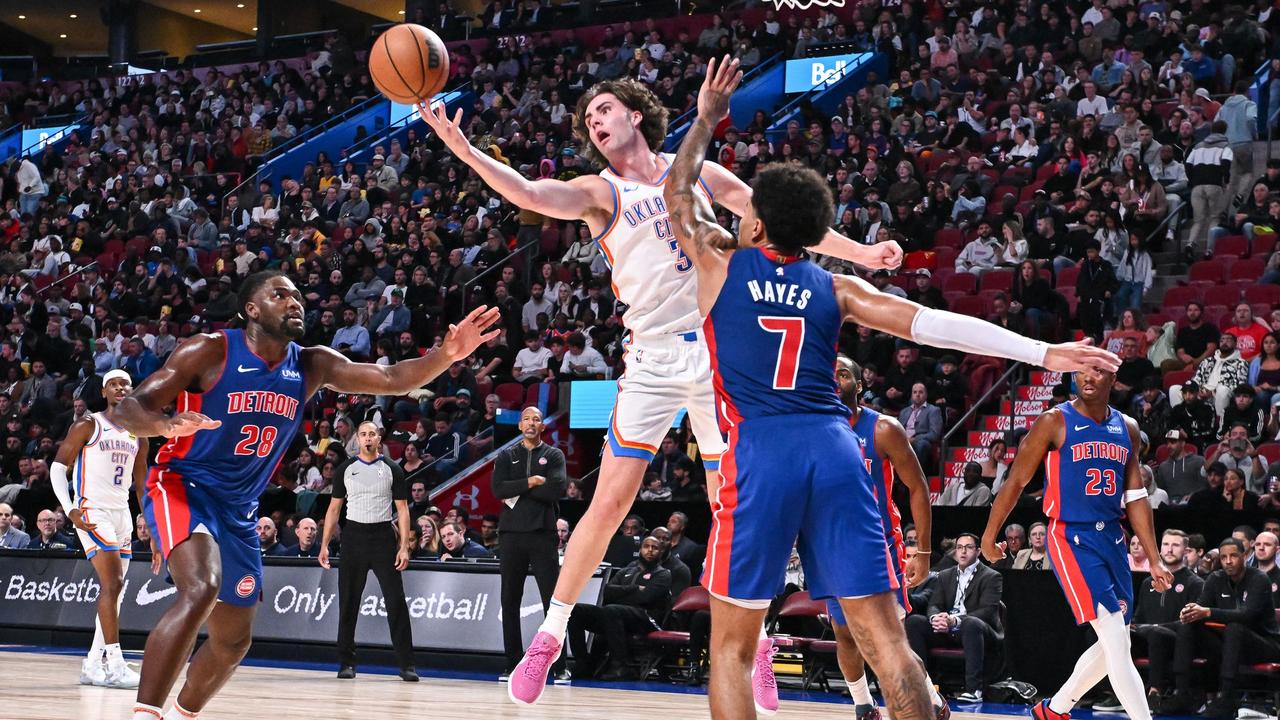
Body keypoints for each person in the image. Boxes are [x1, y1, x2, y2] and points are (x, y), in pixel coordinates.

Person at [418, 60, 906, 708]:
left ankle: (754, 645)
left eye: (604, 109)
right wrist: (463, 148)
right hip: (649, 359)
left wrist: (863, 255)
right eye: (588, 118)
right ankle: (551, 635)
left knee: (736, 504)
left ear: (635, 114)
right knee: (610, 503)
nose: (594, 122)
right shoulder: (599, 190)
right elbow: (530, 195)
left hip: (717, 351)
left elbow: (777, 220)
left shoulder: (694, 171)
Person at [664, 57, 1118, 720]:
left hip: (762, 450)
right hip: (838, 449)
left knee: (732, 647)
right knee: (886, 644)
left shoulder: (717, 261)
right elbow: (933, 325)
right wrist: (1042, 351)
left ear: (758, 226)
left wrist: (706, 119)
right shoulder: (838, 287)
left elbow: (678, 190)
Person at [115, 270, 498, 720]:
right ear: (252, 310)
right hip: (183, 482)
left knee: (235, 639)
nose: (294, 302)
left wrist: (446, 354)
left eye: (297, 296)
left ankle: (183, 713)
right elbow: (128, 409)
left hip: (239, 507)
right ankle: (145, 714)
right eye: (280, 295)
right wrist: (163, 425)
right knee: (202, 587)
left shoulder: (312, 363)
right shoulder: (210, 349)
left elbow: (392, 377)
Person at [981, 364, 1171, 720]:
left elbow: (1136, 496)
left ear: (1113, 380)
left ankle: (1054, 709)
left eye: (1097, 371)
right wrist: (989, 536)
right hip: (1071, 535)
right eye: (1081, 371)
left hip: (1113, 537)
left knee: (1116, 640)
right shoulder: (1054, 421)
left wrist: (1154, 557)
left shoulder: (1127, 427)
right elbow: (1015, 482)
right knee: (1115, 635)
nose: (1086, 377)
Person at [828, 355, 948, 720]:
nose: (835, 379)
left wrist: (923, 550)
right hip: (832, 547)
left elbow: (917, 487)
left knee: (889, 639)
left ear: (859, 385)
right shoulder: (814, 430)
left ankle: (931, 702)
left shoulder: (882, 429)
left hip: (878, 544)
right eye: (828, 373)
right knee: (845, 634)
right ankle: (864, 706)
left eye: (843, 374)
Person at [50, 369, 151, 688]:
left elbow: (141, 484)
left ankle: (93, 664)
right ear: (105, 392)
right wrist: (70, 509)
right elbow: (57, 468)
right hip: (92, 510)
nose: (121, 388)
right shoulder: (88, 424)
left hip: (122, 513)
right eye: (114, 384)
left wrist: (149, 518)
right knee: (114, 582)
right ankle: (116, 664)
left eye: (126, 385)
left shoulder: (139, 433)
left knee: (116, 592)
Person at [318, 421, 417, 682]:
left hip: (383, 537)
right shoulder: (345, 469)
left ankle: (407, 664)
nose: (368, 438)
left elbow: (403, 510)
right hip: (353, 537)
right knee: (348, 602)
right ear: (358, 439)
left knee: (396, 601)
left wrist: (403, 547)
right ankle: (346, 662)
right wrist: (325, 544)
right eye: (363, 434)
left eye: (372, 434)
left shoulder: (392, 469)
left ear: (379, 437)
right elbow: (333, 509)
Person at [1161, 538, 1280, 717]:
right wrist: (1189, 613)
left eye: (1233, 556)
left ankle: (1226, 697)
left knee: (1234, 628)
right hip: (1230, 644)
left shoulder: (1259, 579)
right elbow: (1200, 609)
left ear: (1245, 555)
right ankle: (1183, 693)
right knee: (1189, 628)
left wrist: (1208, 612)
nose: (1228, 561)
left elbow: (1247, 615)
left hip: (1265, 644)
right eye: (1223, 557)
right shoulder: (1215, 579)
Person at [492, 407, 568, 679]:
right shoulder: (506, 455)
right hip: (511, 535)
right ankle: (512, 663)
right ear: (519, 425)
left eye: (536, 419)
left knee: (553, 602)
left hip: (542, 534)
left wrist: (521, 487)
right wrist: (533, 481)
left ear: (542, 427)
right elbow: (498, 489)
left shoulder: (554, 454)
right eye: (526, 418)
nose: (531, 423)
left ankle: (559, 666)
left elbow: (556, 489)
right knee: (510, 600)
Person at [905, 534, 1005, 703]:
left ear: (978, 551)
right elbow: (934, 604)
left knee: (970, 623)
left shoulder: (991, 577)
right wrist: (936, 617)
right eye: (959, 547)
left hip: (978, 631)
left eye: (969, 547)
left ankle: (974, 690)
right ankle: (923, 687)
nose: (963, 551)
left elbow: (987, 611)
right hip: (948, 629)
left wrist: (955, 620)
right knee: (914, 622)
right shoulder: (944, 575)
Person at [565, 535, 671, 680]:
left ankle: (621, 665)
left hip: (645, 618)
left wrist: (621, 593)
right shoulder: (628, 570)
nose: (650, 550)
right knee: (576, 610)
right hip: (615, 616)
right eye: (646, 546)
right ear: (640, 549)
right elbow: (607, 591)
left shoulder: (663, 574)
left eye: (655, 548)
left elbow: (646, 598)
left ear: (661, 552)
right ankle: (582, 663)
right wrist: (634, 588)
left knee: (612, 609)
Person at [1130, 529, 1205, 705]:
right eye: (1165, 544)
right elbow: (1139, 615)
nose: (1169, 550)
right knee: (1115, 635)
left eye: (1175, 545)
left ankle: (1155, 691)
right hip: (1147, 635)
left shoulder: (1195, 583)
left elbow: (1189, 621)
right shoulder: (1148, 582)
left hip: (1176, 641)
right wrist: (1132, 625)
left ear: (1186, 551)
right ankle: (1113, 692)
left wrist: (1155, 627)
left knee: (1158, 634)